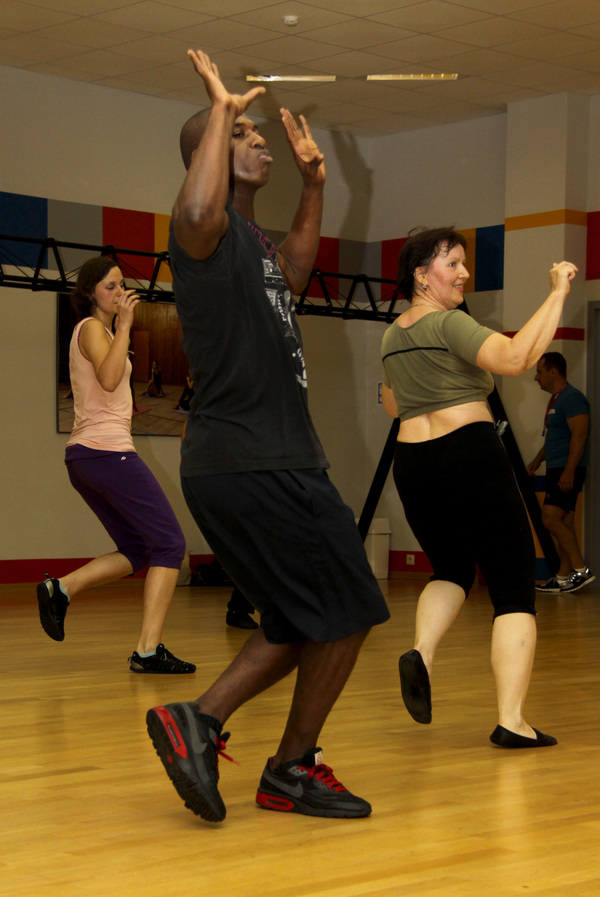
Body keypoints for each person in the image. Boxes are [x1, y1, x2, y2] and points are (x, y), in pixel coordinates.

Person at [145, 49, 389, 823]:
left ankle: (200, 721)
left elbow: (296, 273)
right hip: (258, 460)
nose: (261, 141)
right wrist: (219, 111)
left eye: (253, 130)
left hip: (244, 462)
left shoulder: (250, 245)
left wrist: (315, 187)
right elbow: (193, 213)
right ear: (211, 154)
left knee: (296, 619)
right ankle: (288, 765)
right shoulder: (203, 235)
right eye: (243, 133)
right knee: (349, 606)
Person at [380, 226, 577, 749]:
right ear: (421, 275)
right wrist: (557, 292)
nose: (464, 273)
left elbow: (393, 404)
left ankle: (421, 652)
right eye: (452, 264)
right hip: (468, 453)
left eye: (464, 263)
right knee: (513, 586)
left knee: (452, 569)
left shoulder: (392, 334)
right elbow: (515, 359)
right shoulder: (450, 323)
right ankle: (512, 721)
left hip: (412, 463)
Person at [37, 256, 195, 675]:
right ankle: (147, 651)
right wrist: (125, 326)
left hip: (90, 456)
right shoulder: (92, 328)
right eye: (110, 286)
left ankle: (61, 589)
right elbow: (108, 380)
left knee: (139, 549)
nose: (120, 292)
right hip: (105, 452)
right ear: (90, 292)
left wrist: (120, 330)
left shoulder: (103, 332)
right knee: (170, 544)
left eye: (121, 285)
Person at [527, 352, 594, 593]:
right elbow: (555, 437)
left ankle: (581, 570)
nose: (536, 377)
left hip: (567, 471)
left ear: (553, 372)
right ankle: (563, 576)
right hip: (556, 468)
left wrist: (569, 472)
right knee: (564, 521)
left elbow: (579, 435)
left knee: (550, 519)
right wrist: (537, 460)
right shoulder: (557, 399)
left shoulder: (573, 398)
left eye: (539, 372)